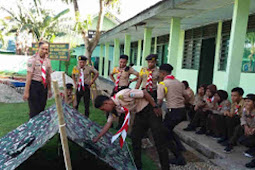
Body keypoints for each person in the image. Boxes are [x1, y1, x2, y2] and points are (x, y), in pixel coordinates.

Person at [93, 89, 169, 170]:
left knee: (159, 140)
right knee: (135, 138)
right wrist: (97, 138)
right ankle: (137, 166)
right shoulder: (115, 109)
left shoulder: (122, 95)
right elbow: (108, 124)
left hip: (150, 110)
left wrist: (155, 106)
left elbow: (144, 93)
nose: (105, 111)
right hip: (139, 114)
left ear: (106, 103)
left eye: (103, 109)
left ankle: (165, 167)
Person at [157, 64, 188, 165]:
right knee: (168, 129)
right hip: (182, 111)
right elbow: (186, 96)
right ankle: (180, 146)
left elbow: (160, 101)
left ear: (163, 73)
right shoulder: (179, 83)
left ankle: (179, 157)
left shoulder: (163, 84)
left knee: (163, 133)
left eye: (159, 73)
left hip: (173, 111)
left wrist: (156, 109)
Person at [23, 40, 53, 118]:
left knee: (41, 109)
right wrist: (26, 92)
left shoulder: (48, 61)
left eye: (46, 49)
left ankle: (40, 128)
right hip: (34, 86)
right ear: (38, 48)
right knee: (34, 110)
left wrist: (49, 89)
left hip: (44, 86)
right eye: (42, 48)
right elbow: (29, 76)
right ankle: (32, 128)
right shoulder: (32, 60)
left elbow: (48, 76)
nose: (44, 51)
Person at [110, 54, 139, 129]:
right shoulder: (116, 68)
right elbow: (111, 74)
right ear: (119, 61)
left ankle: (120, 125)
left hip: (124, 88)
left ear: (126, 62)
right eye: (121, 62)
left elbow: (138, 75)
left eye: (124, 62)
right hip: (116, 88)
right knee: (111, 103)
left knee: (123, 106)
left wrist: (131, 81)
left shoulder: (129, 69)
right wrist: (115, 81)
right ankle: (110, 122)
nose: (122, 64)